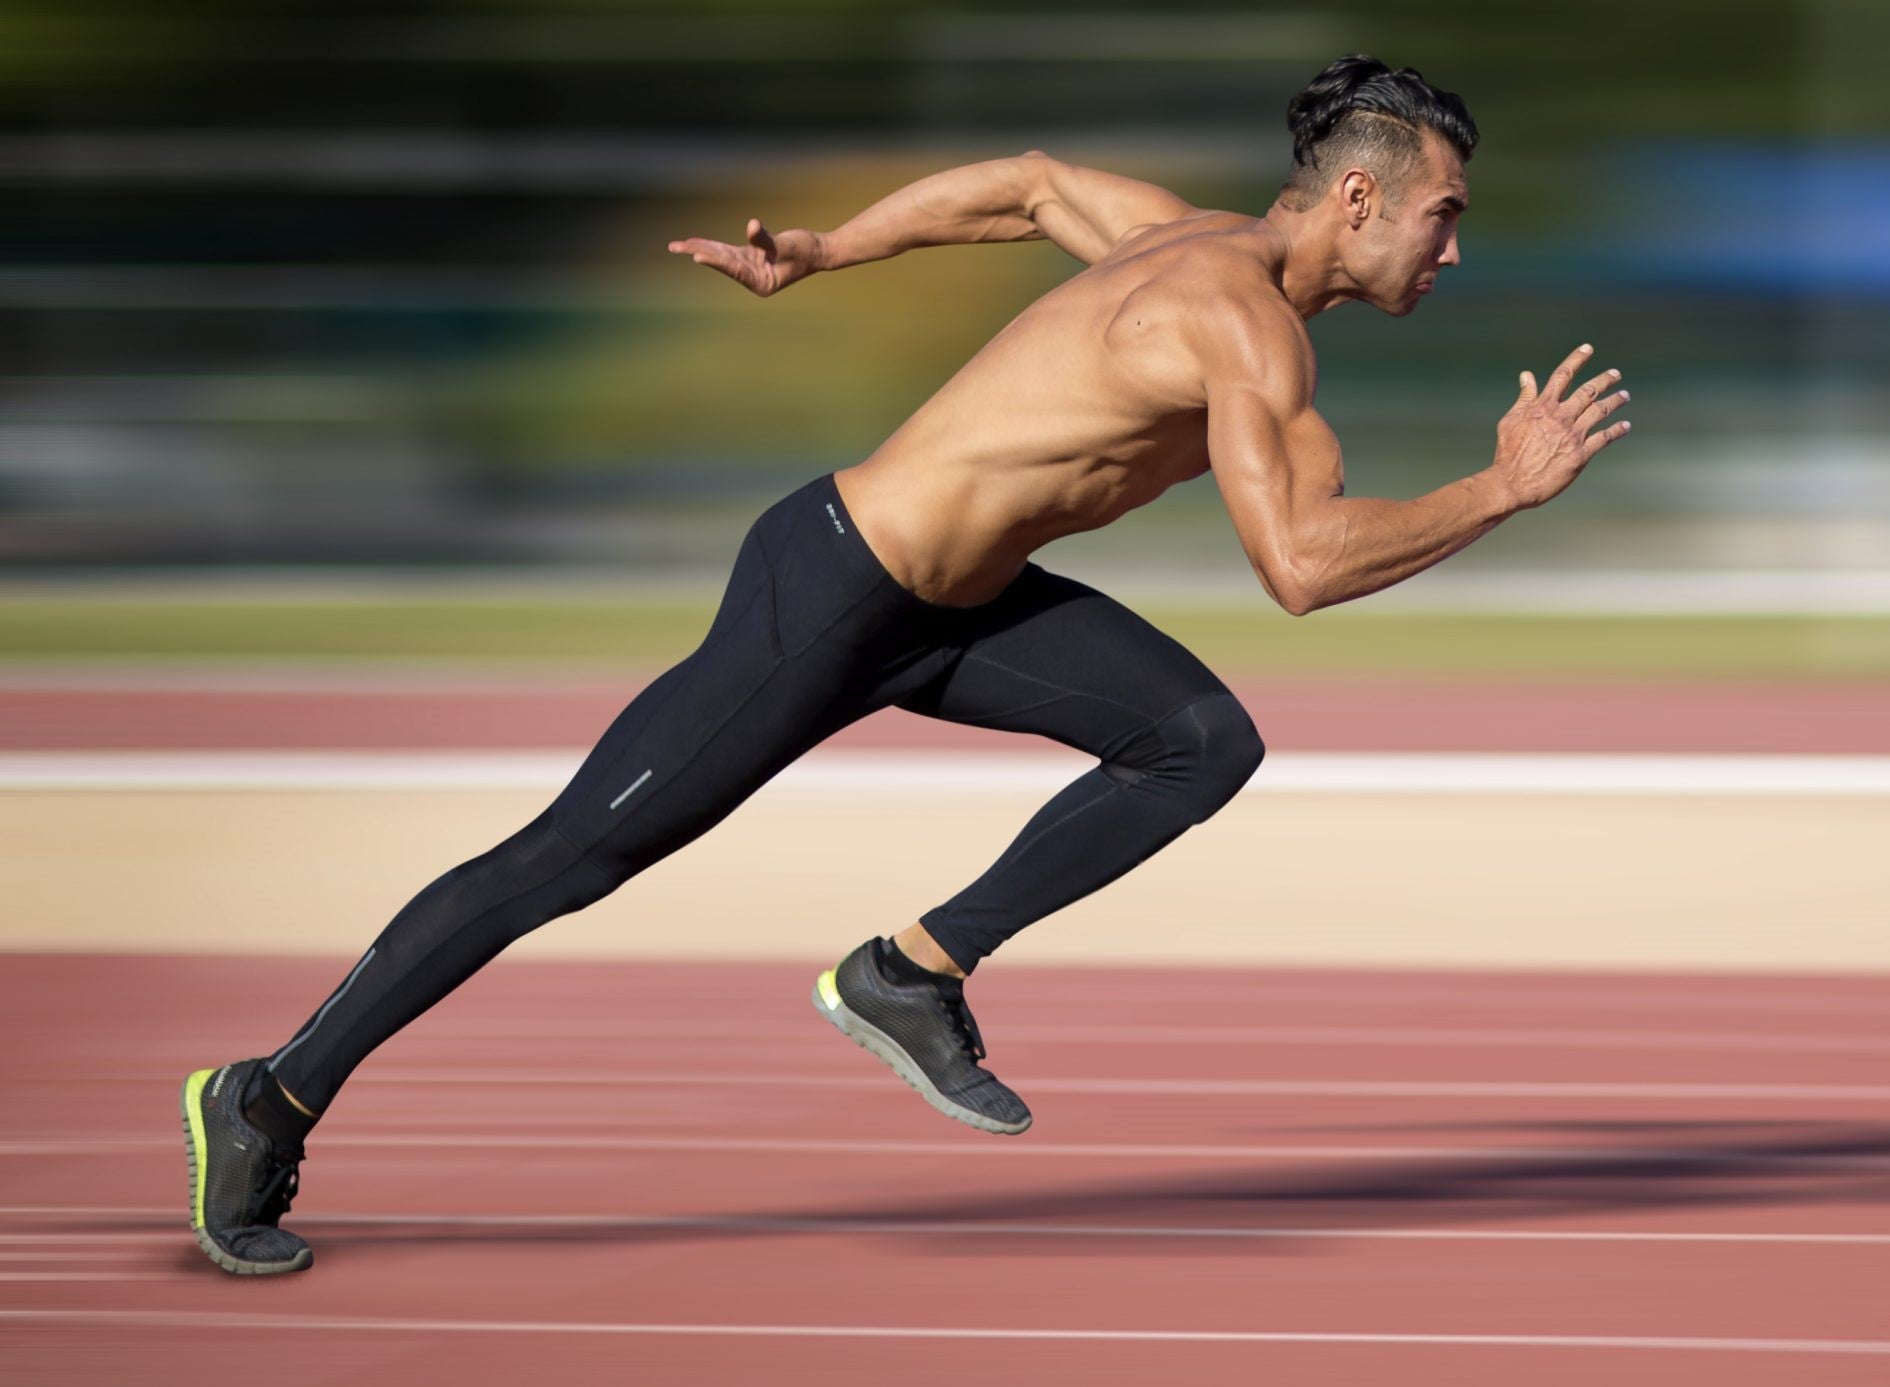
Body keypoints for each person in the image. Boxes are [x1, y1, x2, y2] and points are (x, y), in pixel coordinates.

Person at [181, 53, 1631, 1275]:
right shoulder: (1232, 318)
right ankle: (271, 1092)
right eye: (1441, 218)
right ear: (1359, 197)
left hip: (959, 607)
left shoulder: (1183, 243)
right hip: (830, 591)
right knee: (569, 856)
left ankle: (907, 972)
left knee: (1199, 738)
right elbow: (1301, 568)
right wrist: (1499, 490)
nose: (1451, 251)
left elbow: (1024, 184)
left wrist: (827, 250)